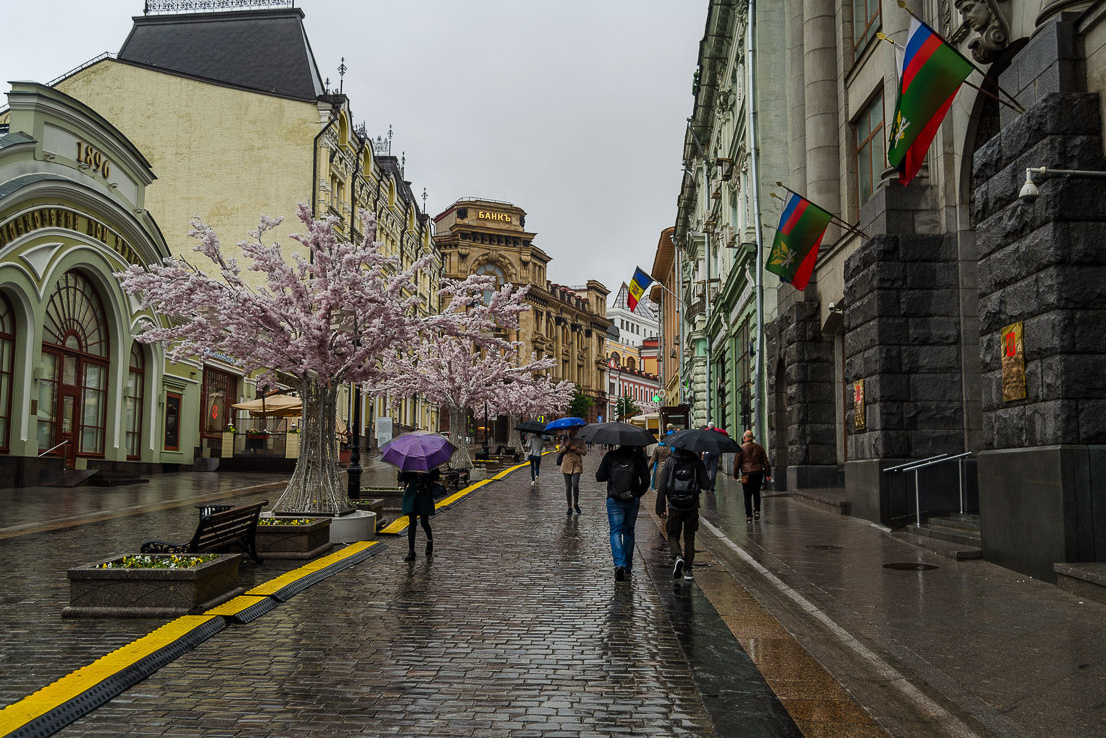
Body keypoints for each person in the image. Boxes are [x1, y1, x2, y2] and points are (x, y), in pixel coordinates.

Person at [595, 444, 650, 581]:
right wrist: (636, 494)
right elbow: (646, 481)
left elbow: (599, 476)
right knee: (629, 531)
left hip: (614, 499)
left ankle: (619, 563)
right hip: (632, 500)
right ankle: (627, 565)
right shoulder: (638, 458)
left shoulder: (611, 456)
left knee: (615, 531)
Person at [657, 447, 710, 581]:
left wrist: (660, 507)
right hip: (692, 506)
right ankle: (688, 570)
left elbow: (662, 485)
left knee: (672, 534)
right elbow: (706, 485)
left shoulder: (670, 461)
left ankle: (677, 556)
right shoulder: (696, 461)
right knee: (689, 536)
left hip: (674, 506)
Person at [399, 467, 440, 561]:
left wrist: (424, 475)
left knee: (424, 523)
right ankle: (411, 551)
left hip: (424, 495)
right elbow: (401, 478)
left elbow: (435, 477)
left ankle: (430, 540)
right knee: (412, 523)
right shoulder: (408, 463)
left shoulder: (430, 463)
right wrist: (413, 472)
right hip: (411, 495)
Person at [736, 429, 771, 523]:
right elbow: (765, 462)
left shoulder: (741, 448)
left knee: (746, 494)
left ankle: (749, 516)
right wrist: (768, 474)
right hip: (758, 473)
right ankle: (757, 510)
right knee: (756, 492)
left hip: (745, 475)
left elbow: (736, 463)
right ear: (752, 438)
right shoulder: (759, 448)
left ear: (744, 438)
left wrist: (735, 475)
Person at [558, 428, 587, 516]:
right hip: (566, 464)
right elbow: (560, 451)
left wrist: (575, 448)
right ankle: (569, 506)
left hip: (577, 465)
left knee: (575, 485)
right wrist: (566, 446)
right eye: (571, 430)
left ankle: (576, 503)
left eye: (575, 430)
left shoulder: (581, 439)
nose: (573, 431)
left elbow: (584, 452)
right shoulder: (565, 439)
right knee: (568, 487)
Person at [702, 422, 720, 491]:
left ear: (708, 427)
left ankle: (707, 484)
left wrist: (703, 452)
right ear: (714, 427)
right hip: (715, 452)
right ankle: (712, 485)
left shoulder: (705, 433)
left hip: (707, 452)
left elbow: (704, 443)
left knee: (706, 468)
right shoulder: (717, 433)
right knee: (714, 469)